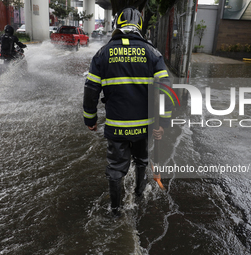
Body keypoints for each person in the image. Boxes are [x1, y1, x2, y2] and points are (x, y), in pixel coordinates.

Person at [83, 7, 172, 218]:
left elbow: (91, 89)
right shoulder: (153, 53)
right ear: (140, 27)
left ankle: (115, 211)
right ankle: (139, 194)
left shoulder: (103, 53)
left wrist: (90, 118)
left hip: (117, 126)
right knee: (142, 160)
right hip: (144, 126)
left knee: (115, 168)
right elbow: (166, 90)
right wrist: (163, 123)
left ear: (117, 25)